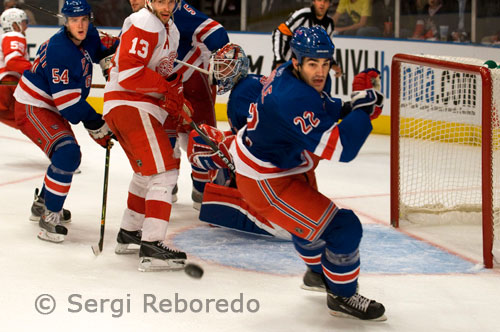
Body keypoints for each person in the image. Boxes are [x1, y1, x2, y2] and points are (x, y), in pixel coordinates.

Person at [229, 26, 386, 320]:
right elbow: (343, 149)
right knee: (344, 227)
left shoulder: (287, 73)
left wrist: (352, 106)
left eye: (325, 64)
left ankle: (317, 274)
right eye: (313, 64)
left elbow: (322, 106)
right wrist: (361, 113)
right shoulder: (292, 98)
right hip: (266, 181)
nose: (320, 72)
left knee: (315, 225)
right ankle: (342, 296)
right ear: (298, 61)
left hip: (280, 163)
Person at [13, 0, 115, 243]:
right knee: (67, 154)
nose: (79, 25)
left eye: (83, 20)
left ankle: (43, 202)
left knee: (67, 155)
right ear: (66, 21)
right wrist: (97, 124)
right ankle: (49, 217)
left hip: (51, 106)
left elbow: (108, 47)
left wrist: (111, 58)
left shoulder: (88, 34)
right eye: (73, 20)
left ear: (89, 19)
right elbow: (70, 107)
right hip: (33, 106)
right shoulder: (61, 50)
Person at [103, 0, 193, 272]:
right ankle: (152, 244)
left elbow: (160, 74)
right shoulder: (144, 22)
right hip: (131, 104)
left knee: (145, 174)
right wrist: (167, 89)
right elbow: (130, 74)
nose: (166, 6)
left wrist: (175, 92)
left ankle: (129, 232)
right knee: (164, 173)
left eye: (171, 1)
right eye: (161, 0)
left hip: (136, 106)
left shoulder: (172, 31)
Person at [168, 0, 229, 210]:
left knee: (201, 136)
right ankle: (167, 185)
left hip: (193, 77)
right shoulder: (141, 18)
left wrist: (219, 61)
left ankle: (201, 190)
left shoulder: (178, 10)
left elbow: (217, 33)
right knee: (167, 135)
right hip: (166, 81)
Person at [272, 0, 335, 71]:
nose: (322, 3)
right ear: (314, 1)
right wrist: (279, 60)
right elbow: (279, 32)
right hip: (288, 67)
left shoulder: (329, 23)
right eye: (319, 0)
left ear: (329, 3)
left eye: (326, 1)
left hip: (310, 72)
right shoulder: (302, 15)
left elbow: (326, 48)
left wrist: (332, 63)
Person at [0, 8, 30, 129]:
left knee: (23, 119)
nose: (26, 26)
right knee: (27, 118)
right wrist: (36, 72)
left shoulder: (5, 37)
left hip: (6, 84)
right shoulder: (14, 35)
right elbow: (13, 61)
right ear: (14, 24)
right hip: (8, 83)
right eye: (23, 22)